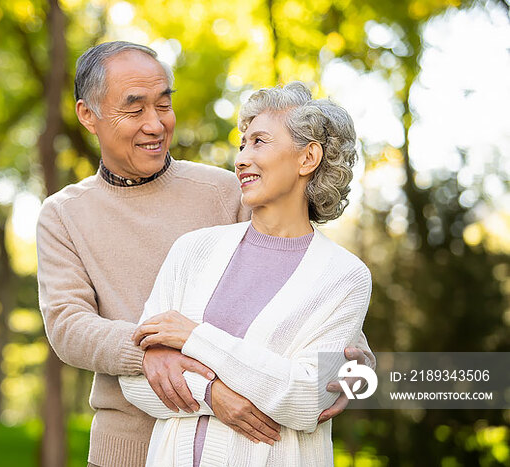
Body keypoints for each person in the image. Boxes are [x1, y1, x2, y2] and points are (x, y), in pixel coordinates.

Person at [37, 42, 374, 467]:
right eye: (134, 108)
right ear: (89, 115)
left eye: (164, 104)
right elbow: (68, 325)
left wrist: (350, 363)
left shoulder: (229, 190)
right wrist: (154, 351)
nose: (155, 124)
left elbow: (301, 289)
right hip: (124, 439)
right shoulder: (64, 213)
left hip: (244, 443)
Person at [119, 82, 372, 466]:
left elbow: (306, 398)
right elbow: (138, 379)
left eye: (259, 142)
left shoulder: (344, 277)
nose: (241, 159)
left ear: (308, 158)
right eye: (242, 145)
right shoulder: (192, 250)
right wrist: (214, 396)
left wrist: (194, 338)